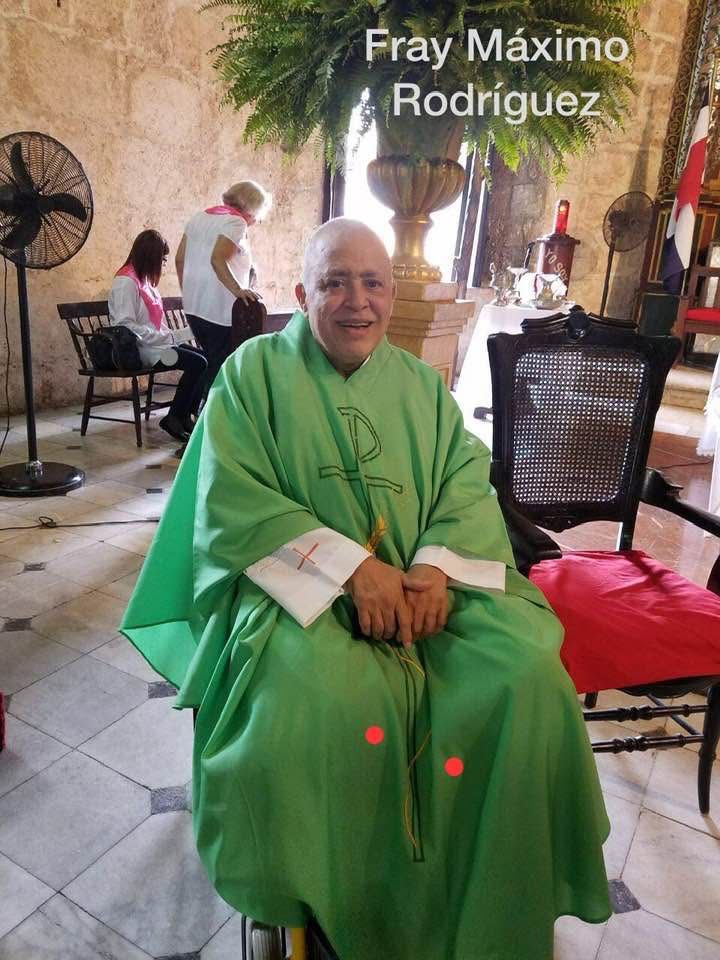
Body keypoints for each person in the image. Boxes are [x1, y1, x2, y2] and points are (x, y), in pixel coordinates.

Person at [121, 219, 610, 960]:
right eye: (335, 283)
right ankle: (321, 898)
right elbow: (231, 500)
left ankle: (490, 886)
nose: (358, 302)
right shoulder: (252, 375)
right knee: (317, 704)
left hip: (424, 586)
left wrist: (435, 567)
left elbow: (464, 482)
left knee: (524, 677)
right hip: (297, 591)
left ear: (392, 295)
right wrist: (351, 568)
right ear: (301, 293)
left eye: (373, 283)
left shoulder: (420, 385)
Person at [109, 229, 207, 443]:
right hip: (145, 353)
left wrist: (178, 334)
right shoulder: (126, 282)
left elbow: (157, 325)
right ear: (149, 256)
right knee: (198, 363)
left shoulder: (144, 281)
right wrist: (168, 337)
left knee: (204, 360)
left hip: (159, 348)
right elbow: (125, 326)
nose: (163, 264)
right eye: (161, 259)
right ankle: (174, 417)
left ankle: (183, 416)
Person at [175, 180, 271, 395]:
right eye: (258, 215)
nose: (257, 221)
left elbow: (180, 259)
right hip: (220, 310)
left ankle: (193, 411)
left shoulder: (199, 218)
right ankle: (211, 412)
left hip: (194, 307)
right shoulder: (236, 223)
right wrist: (239, 290)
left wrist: (187, 292)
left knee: (210, 364)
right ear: (252, 209)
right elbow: (218, 259)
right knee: (221, 370)